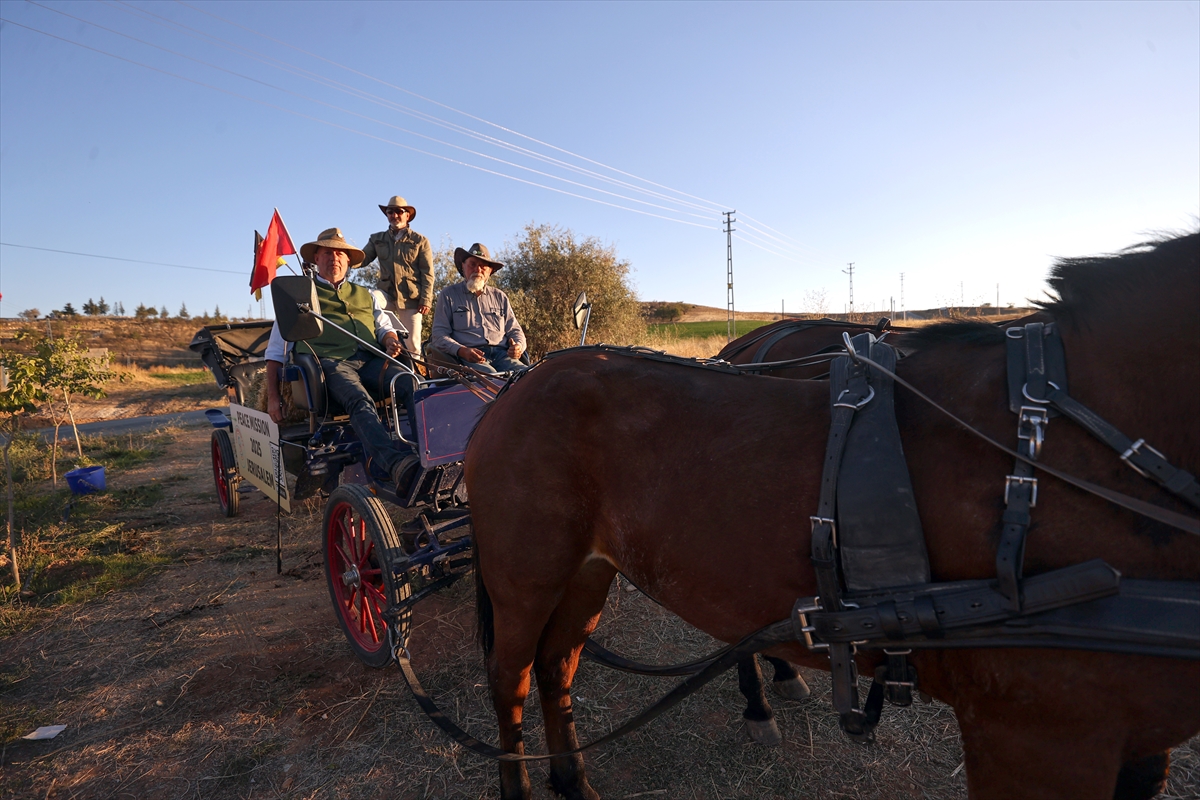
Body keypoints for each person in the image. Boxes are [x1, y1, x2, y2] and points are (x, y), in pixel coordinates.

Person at [264, 227, 419, 490]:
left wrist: (390, 340)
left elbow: (382, 327)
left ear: (349, 261)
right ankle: (394, 464)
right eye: (327, 253)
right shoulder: (298, 298)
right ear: (316, 258)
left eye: (339, 253)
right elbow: (275, 352)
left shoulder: (367, 295)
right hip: (331, 364)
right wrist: (273, 397)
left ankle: (426, 452)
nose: (334, 258)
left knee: (410, 383)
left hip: (370, 361)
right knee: (358, 398)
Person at [429, 243, 527, 374]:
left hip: (503, 356)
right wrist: (461, 350)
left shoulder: (500, 296)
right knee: (492, 380)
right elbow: (438, 335)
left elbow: (515, 330)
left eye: (483, 266)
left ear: (490, 271)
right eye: (472, 264)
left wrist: (518, 347)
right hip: (469, 358)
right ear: (463, 266)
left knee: (528, 377)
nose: (477, 270)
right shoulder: (448, 295)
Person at [359, 196, 433, 354]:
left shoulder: (420, 241)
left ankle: (415, 376)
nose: (394, 215)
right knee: (369, 297)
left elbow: (428, 273)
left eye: (399, 211)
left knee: (412, 345)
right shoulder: (377, 239)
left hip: (411, 299)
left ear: (407, 215)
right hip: (386, 294)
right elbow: (362, 259)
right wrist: (344, 255)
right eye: (390, 212)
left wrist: (425, 299)